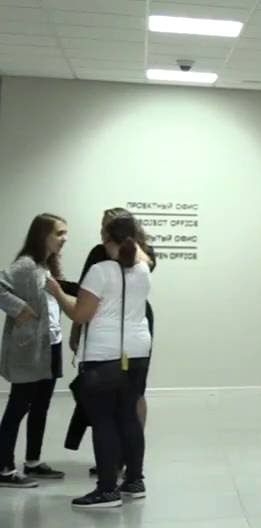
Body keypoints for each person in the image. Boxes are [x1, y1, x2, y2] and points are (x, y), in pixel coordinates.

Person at [46, 213, 153, 509]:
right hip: (137, 352)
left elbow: (80, 314)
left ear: (107, 238)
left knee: (104, 420)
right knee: (129, 416)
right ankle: (134, 481)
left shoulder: (100, 271)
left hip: (104, 355)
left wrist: (57, 291)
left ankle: (107, 490)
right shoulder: (143, 267)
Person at [69, 207, 157, 476]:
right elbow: (85, 297)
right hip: (125, 330)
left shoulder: (139, 258)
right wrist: (77, 331)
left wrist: (58, 293)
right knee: (121, 403)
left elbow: (81, 307)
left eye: (105, 228)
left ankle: (120, 468)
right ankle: (128, 471)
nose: (101, 234)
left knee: (121, 403)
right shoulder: (105, 258)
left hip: (121, 330)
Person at [0, 214, 69, 488]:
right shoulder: (26, 265)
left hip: (51, 344)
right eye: (59, 233)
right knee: (19, 406)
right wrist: (20, 308)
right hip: (29, 349)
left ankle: (32, 461)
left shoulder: (45, 265)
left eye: (65, 233)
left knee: (41, 406)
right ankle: (3, 468)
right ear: (43, 235)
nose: (64, 238)